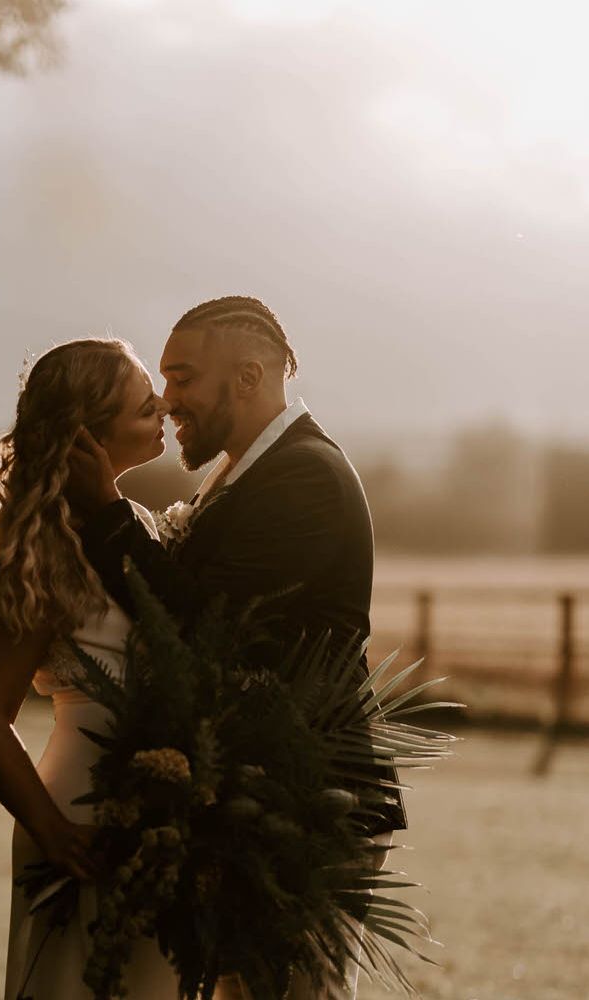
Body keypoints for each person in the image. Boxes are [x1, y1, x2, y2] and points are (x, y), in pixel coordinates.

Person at [67, 295, 407, 1000]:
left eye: (183, 377)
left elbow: (200, 623)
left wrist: (106, 516)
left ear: (248, 378)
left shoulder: (305, 476)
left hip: (315, 801)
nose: (168, 401)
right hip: (258, 802)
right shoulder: (245, 470)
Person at [0, 338, 181, 1000]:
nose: (165, 405)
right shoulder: (43, 552)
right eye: (146, 406)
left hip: (161, 809)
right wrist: (51, 829)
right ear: (90, 437)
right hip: (79, 816)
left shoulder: (134, 524)